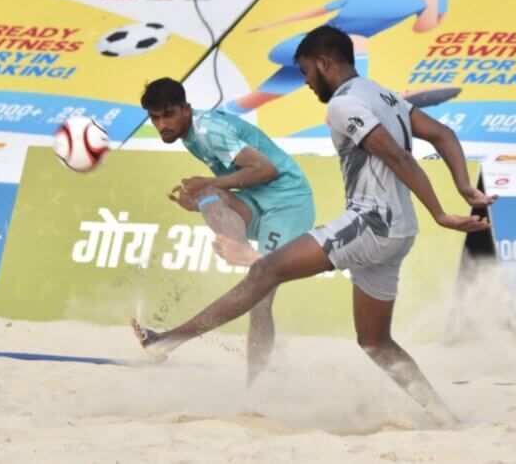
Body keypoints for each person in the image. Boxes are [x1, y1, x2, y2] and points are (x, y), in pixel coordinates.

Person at [131, 27, 496, 426]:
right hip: (398, 232)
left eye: (305, 71)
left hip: (370, 223)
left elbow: (398, 158)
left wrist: (442, 213)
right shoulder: (381, 93)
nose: (305, 81)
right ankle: (446, 417)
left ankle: (168, 340)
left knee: (264, 272)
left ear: (324, 63)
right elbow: (442, 134)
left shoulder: (342, 105)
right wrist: (463, 185)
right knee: (375, 341)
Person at [139, 77, 316, 384]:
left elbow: (266, 170)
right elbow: (227, 186)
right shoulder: (189, 135)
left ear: (185, 109)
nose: (161, 124)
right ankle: (241, 254)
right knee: (208, 195)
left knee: (260, 299)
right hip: (258, 201)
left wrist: (208, 184)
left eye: (167, 115)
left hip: (287, 205)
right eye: (155, 118)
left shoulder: (208, 131)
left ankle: (252, 383)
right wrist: (199, 199)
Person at [222, 0, 467, 116]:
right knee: (354, 40)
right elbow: (319, 11)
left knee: (260, 97)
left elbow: (423, 29)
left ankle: (222, 113)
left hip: (332, 59)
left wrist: (431, 4)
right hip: (307, 46)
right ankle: (361, 98)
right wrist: (269, 25)